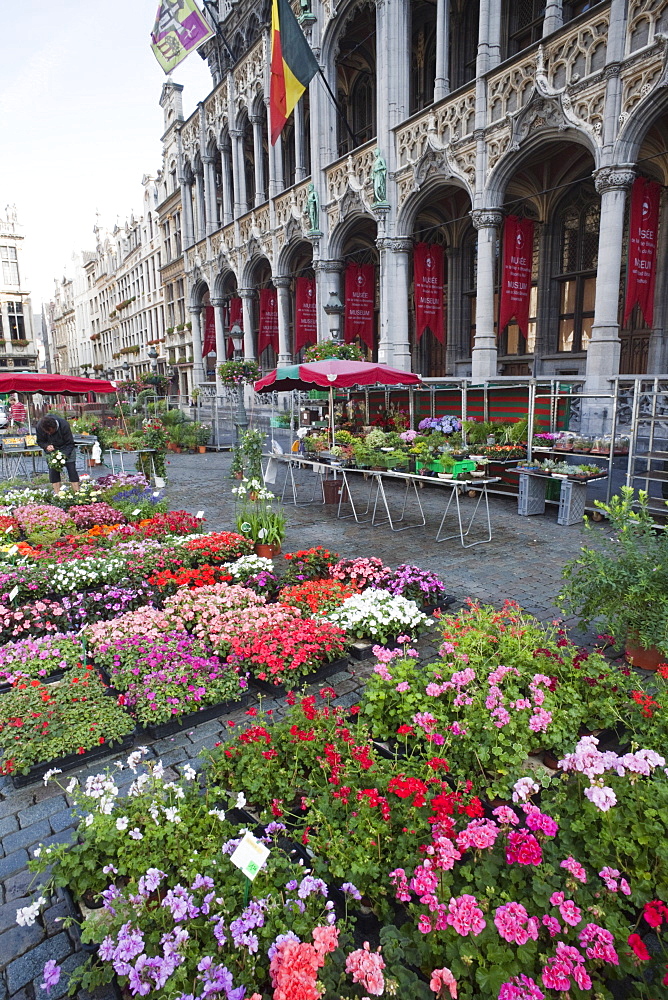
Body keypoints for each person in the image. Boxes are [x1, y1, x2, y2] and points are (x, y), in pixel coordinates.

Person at [36, 415, 80, 494]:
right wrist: (46, 446)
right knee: (53, 472)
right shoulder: (40, 426)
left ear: (55, 427)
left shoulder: (64, 425)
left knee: (72, 470)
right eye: (47, 432)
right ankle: (57, 495)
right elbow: (40, 441)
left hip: (66, 448)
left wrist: (64, 456)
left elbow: (70, 444)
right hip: (51, 451)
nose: (49, 433)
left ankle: (77, 494)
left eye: (51, 431)